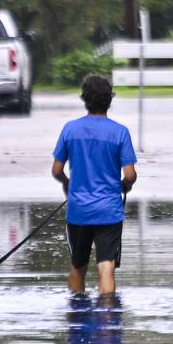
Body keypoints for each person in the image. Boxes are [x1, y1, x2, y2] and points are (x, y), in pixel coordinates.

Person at [52, 74, 137, 295]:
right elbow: (130, 174)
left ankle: (76, 316)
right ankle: (107, 321)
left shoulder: (70, 129)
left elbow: (56, 170)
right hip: (109, 210)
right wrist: (124, 185)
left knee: (78, 266)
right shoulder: (120, 132)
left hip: (78, 210)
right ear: (109, 100)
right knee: (106, 267)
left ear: (85, 99)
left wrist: (66, 183)